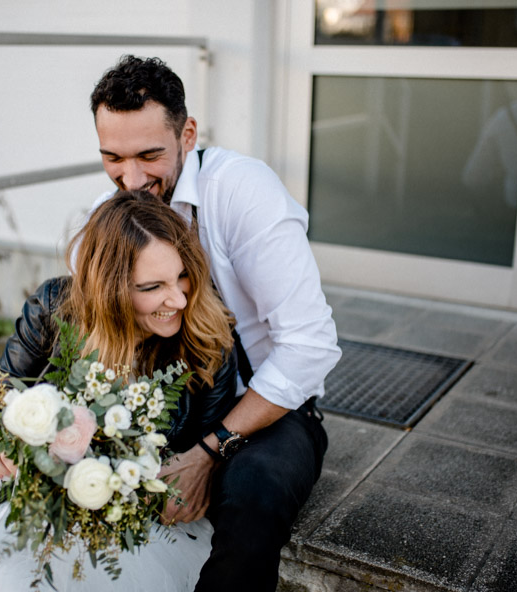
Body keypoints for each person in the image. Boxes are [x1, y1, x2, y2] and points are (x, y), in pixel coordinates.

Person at [0, 191, 239, 591]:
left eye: (183, 275)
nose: (179, 298)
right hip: (51, 492)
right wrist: (11, 445)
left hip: (137, 510)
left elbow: (195, 461)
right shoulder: (53, 308)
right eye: (152, 286)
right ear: (110, 288)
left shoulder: (205, 336)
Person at [88, 55, 340, 591]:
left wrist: (209, 450)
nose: (129, 180)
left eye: (149, 155)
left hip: (269, 406)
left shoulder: (242, 189)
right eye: (112, 157)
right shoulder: (109, 212)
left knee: (253, 489)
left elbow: (310, 346)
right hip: (163, 399)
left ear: (187, 135)